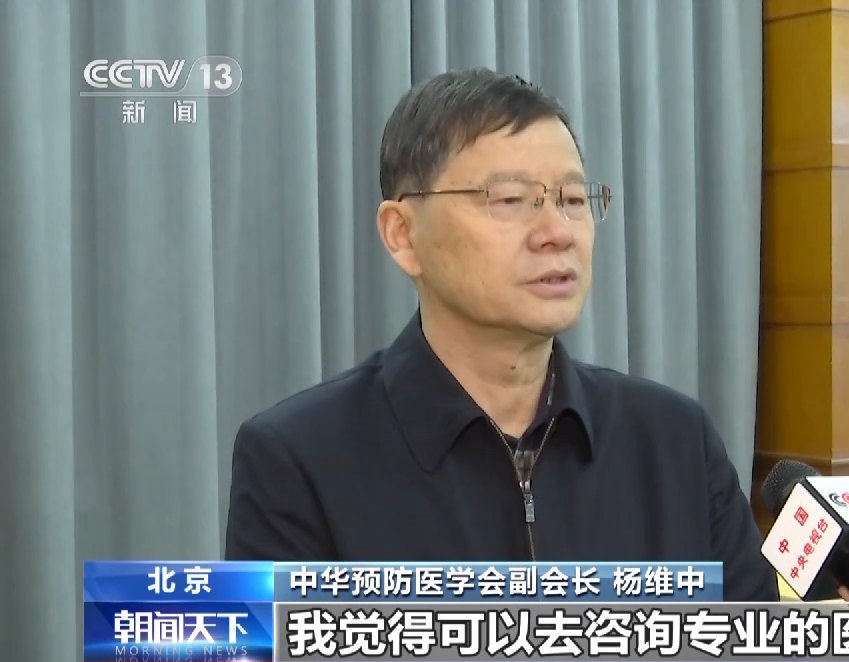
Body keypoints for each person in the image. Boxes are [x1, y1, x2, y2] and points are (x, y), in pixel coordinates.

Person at [222, 68, 779, 602]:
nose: (557, 232)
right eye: (510, 200)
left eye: (573, 200)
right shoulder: (298, 461)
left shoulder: (675, 441)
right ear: (403, 235)